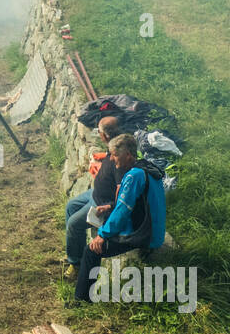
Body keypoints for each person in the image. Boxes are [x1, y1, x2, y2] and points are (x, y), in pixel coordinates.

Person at [76, 133, 167, 302]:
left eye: (115, 155)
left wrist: (101, 236)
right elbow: (138, 201)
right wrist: (111, 206)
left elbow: (123, 212)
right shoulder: (147, 168)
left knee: (91, 250)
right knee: (108, 220)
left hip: (146, 235)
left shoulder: (133, 176)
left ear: (127, 155)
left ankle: (81, 300)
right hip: (153, 228)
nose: (111, 159)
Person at [63, 116, 122, 282]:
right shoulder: (115, 145)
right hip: (94, 193)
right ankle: (75, 251)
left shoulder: (120, 156)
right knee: (71, 206)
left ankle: (76, 264)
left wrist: (110, 206)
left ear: (104, 136)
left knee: (74, 225)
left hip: (101, 203)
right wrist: (102, 159)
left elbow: (122, 190)